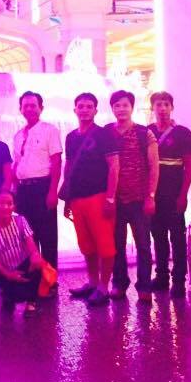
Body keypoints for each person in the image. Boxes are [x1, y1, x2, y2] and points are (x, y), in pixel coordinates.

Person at [60, 93, 119, 308]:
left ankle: (103, 286)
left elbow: (114, 167)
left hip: (99, 196)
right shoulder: (70, 137)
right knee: (86, 245)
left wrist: (110, 198)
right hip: (77, 198)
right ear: (74, 110)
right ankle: (92, 282)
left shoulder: (104, 134)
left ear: (95, 110)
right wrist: (67, 197)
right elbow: (68, 167)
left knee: (105, 245)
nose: (84, 110)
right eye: (81, 106)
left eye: (89, 106)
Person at [106, 90, 159, 303]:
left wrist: (151, 196)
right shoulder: (107, 133)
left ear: (132, 107)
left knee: (143, 245)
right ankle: (119, 284)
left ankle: (144, 286)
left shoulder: (144, 133)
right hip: (115, 200)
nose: (121, 109)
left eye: (125, 105)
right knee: (116, 245)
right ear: (112, 109)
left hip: (139, 198)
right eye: (117, 105)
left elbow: (154, 166)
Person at [147, 92, 191, 298]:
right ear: (153, 108)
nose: (162, 108)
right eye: (158, 104)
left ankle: (179, 280)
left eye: (166, 104)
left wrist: (183, 195)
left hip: (174, 192)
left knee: (177, 237)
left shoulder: (183, 133)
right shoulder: (147, 132)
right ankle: (161, 276)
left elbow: (189, 167)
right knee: (157, 235)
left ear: (172, 107)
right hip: (153, 193)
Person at [12, 91, 62, 270]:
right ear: (20, 109)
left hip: (43, 188)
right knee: (27, 237)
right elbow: (17, 164)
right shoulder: (18, 135)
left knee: (48, 237)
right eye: (25, 106)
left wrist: (53, 191)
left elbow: (56, 161)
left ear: (41, 108)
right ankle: (33, 279)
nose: (29, 109)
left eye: (33, 105)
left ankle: (50, 280)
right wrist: (14, 192)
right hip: (23, 191)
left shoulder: (50, 130)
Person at [0, 190, 45, 316]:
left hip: (24, 267)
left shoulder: (21, 221)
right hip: (4, 271)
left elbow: (31, 245)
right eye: (1, 203)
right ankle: (8, 295)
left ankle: (31, 302)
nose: (5, 207)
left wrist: (35, 256)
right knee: (14, 296)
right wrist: (8, 274)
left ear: (14, 206)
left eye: (9, 203)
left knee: (37, 262)